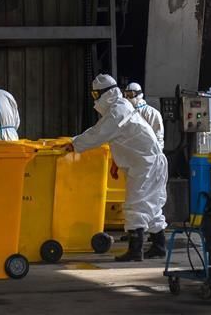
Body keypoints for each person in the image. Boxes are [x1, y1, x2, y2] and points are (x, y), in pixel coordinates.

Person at [66, 73, 168, 261]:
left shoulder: (117, 111)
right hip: (147, 162)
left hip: (146, 164)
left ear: (106, 93)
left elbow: (99, 133)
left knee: (135, 205)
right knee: (151, 205)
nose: (95, 100)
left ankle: (135, 250)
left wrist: (74, 144)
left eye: (96, 95)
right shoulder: (120, 108)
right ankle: (159, 245)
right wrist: (115, 162)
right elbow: (120, 139)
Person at [125, 82, 165, 151]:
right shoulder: (126, 112)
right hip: (131, 152)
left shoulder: (152, 113)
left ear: (138, 94)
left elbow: (158, 137)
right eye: (126, 94)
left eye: (131, 94)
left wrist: (157, 154)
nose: (128, 97)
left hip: (148, 152)